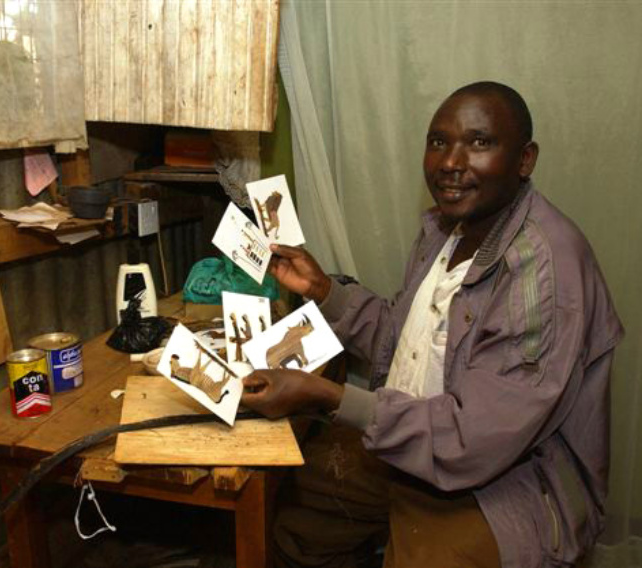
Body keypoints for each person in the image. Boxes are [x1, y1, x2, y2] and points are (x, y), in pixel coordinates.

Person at [241, 82, 624, 568]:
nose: (450, 162)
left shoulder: (541, 273)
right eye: (439, 141)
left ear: (525, 159)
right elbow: (403, 345)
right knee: (295, 505)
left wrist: (329, 398)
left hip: (509, 487)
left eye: (480, 142)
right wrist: (323, 291)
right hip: (416, 449)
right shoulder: (447, 232)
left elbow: (471, 440)